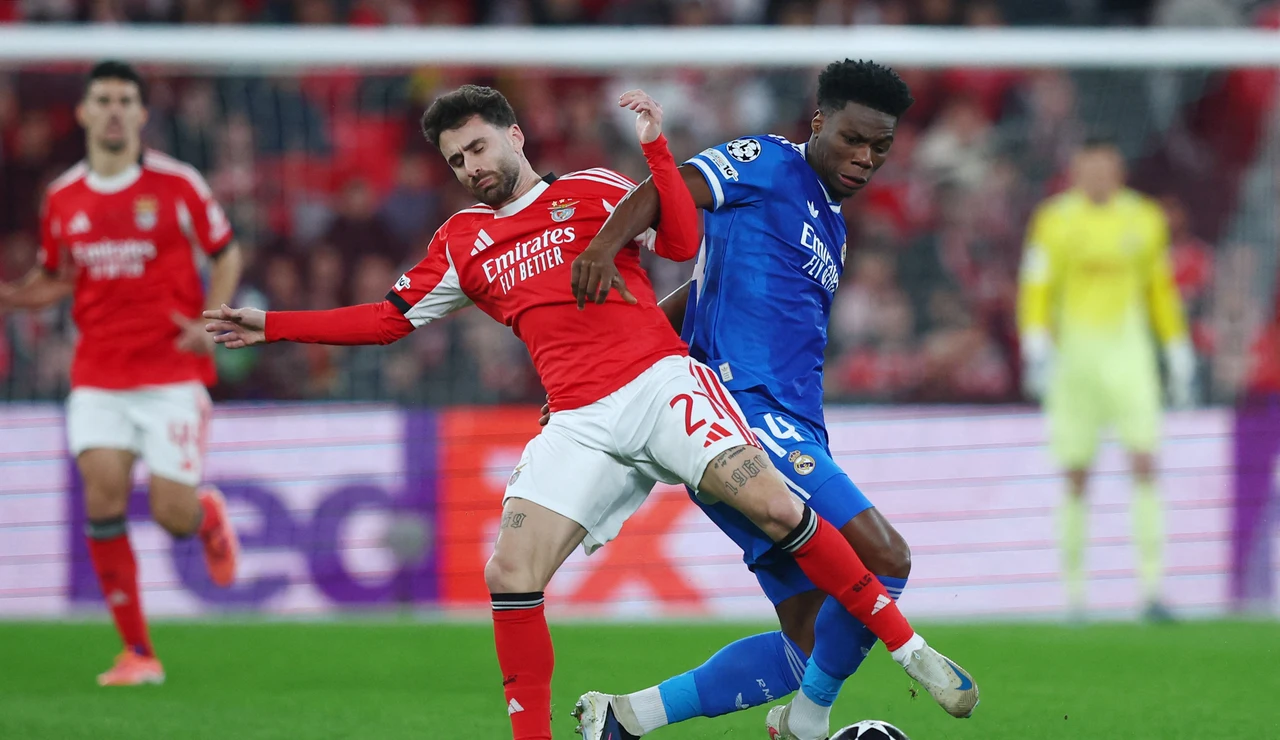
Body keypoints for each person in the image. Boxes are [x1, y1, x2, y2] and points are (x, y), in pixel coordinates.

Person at [204, 84, 975, 740]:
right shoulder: (462, 242)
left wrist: (657, 158)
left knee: (783, 518)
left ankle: (889, 662)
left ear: (515, 134)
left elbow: (677, 236)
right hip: (579, 418)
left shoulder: (595, 191)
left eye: (478, 148)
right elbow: (383, 320)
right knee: (509, 571)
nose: (472, 169)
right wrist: (270, 324)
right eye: (456, 162)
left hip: (660, 383)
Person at [560, 61, 978, 740]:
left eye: (880, 149)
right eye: (852, 139)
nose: (865, 158)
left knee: (811, 643)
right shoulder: (764, 161)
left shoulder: (833, 228)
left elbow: (701, 296)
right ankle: (808, 724)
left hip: (790, 426)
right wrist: (605, 247)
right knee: (886, 558)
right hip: (743, 412)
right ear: (818, 123)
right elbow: (676, 189)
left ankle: (625, 717)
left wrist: (621, 358)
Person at [0, 60, 243, 686]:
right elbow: (55, 277)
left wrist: (210, 318)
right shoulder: (61, 198)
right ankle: (139, 653)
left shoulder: (177, 183)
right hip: (98, 377)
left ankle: (206, 514)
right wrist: (8, 295)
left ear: (141, 113)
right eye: (102, 99)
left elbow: (226, 251)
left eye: (125, 100)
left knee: (171, 515)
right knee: (102, 499)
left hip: (171, 375)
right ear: (83, 113)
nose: (113, 109)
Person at [1017, 137, 1194, 623]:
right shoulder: (1054, 219)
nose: (1097, 177)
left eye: (1106, 168)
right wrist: (1035, 345)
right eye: (1088, 168)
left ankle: (1152, 590)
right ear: (1076, 170)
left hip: (1130, 356)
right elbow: (1036, 286)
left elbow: (1159, 289)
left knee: (1144, 462)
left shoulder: (1145, 219)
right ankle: (1074, 597)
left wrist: (1176, 347)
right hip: (1074, 361)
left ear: (1118, 171)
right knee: (1076, 475)